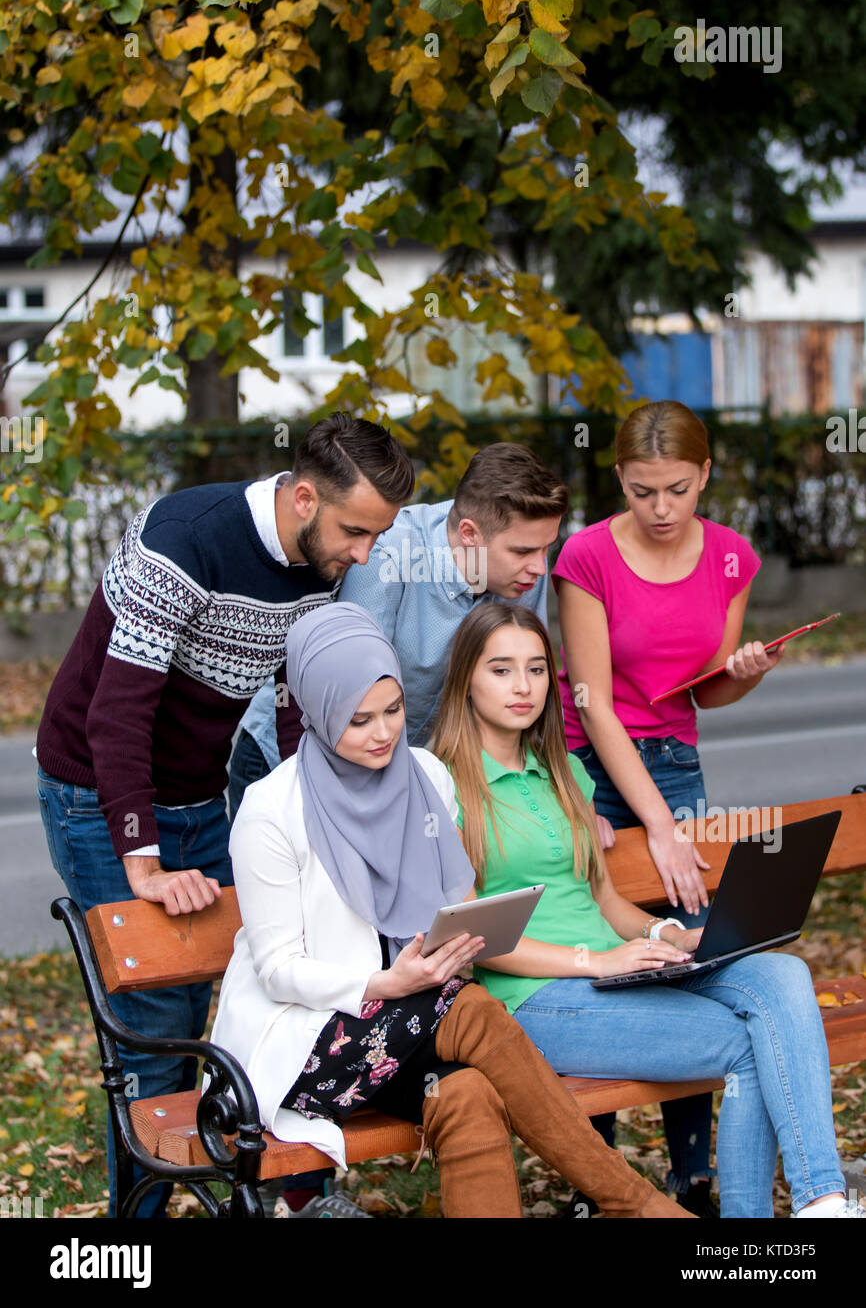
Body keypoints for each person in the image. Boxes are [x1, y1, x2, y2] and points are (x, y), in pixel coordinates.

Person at [36, 413, 414, 1216]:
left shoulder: (323, 559)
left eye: (376, 537)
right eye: (356, 531)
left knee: (267, 982)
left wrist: (322, 813)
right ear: (305, 496)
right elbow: (117, 714)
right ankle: (133, 1227)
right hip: (94, 789)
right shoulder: (181, 539)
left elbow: (292, 699)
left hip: (200, 791)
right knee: (159, 1016)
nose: (364, 555)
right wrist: (142, 861)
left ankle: (289, 1200)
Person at [209, 602, 693, 1219]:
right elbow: (277, 969)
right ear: (316, 711)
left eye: (393, 712)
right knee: (472, 1010)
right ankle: (636, 1205)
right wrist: (386, 981)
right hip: (306, 1041)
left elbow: (452, 907)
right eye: (358, 721)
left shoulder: (425, 776)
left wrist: (451, 950)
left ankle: (632, 1206)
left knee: (466, 1097)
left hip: (407, 1026)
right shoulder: (270, 811)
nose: (383, 734)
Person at [429, 601, 862, 1219]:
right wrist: (598, 963)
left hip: (617, 969)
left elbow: (603, 900)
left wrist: (667, 934)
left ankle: (821, 1199)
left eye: (534, 669)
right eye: (501, 670)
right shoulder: (444, 785)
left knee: (780, 973)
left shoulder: (566, 773)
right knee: (748, 1044)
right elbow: (472, 941)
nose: (522, 687)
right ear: (465, 677)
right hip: (532, 1000)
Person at [552, 399, 785, 1212]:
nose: (660, 509)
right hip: (588, 763)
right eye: (643, 490)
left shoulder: (730, 558)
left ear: (705, 476)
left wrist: (745, 674)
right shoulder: (586, 556)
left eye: (678, 490)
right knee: (600, 952)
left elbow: (704, 690)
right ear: (619, 478)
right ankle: (599, 1182)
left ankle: (693, 1180)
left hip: (677, 761)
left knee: (690, 958)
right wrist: (657, 824)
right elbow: (592, 702)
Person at [226, 442, 571, 799]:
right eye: (523, 552)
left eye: (547, 548)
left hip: (414, 766)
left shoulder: (524, 568)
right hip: (297, 754)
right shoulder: (388, 553)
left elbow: (527, 681)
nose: (538, 566)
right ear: (469, 534)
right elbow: (351, 696)